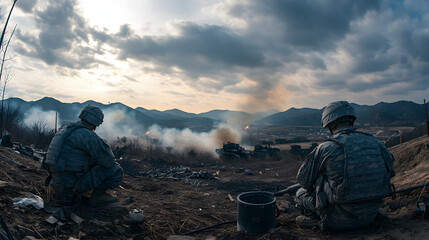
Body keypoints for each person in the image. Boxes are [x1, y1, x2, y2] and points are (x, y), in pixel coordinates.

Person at [295, 101, 395, 230]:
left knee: (300, 193)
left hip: (338, 220)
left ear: (330, 124)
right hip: (371, 214)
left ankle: (319, 223)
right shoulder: (377, 143)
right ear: (351, 120)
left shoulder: (325, 148)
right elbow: (390, 171)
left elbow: (304, 181)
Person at [42, 105, 124, 205]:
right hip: (71, 186)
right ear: (96, 122)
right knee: (116, 170)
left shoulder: (65, 129)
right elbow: (109, 161)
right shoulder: (87, 135)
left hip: (56, 183)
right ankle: (98, 197)